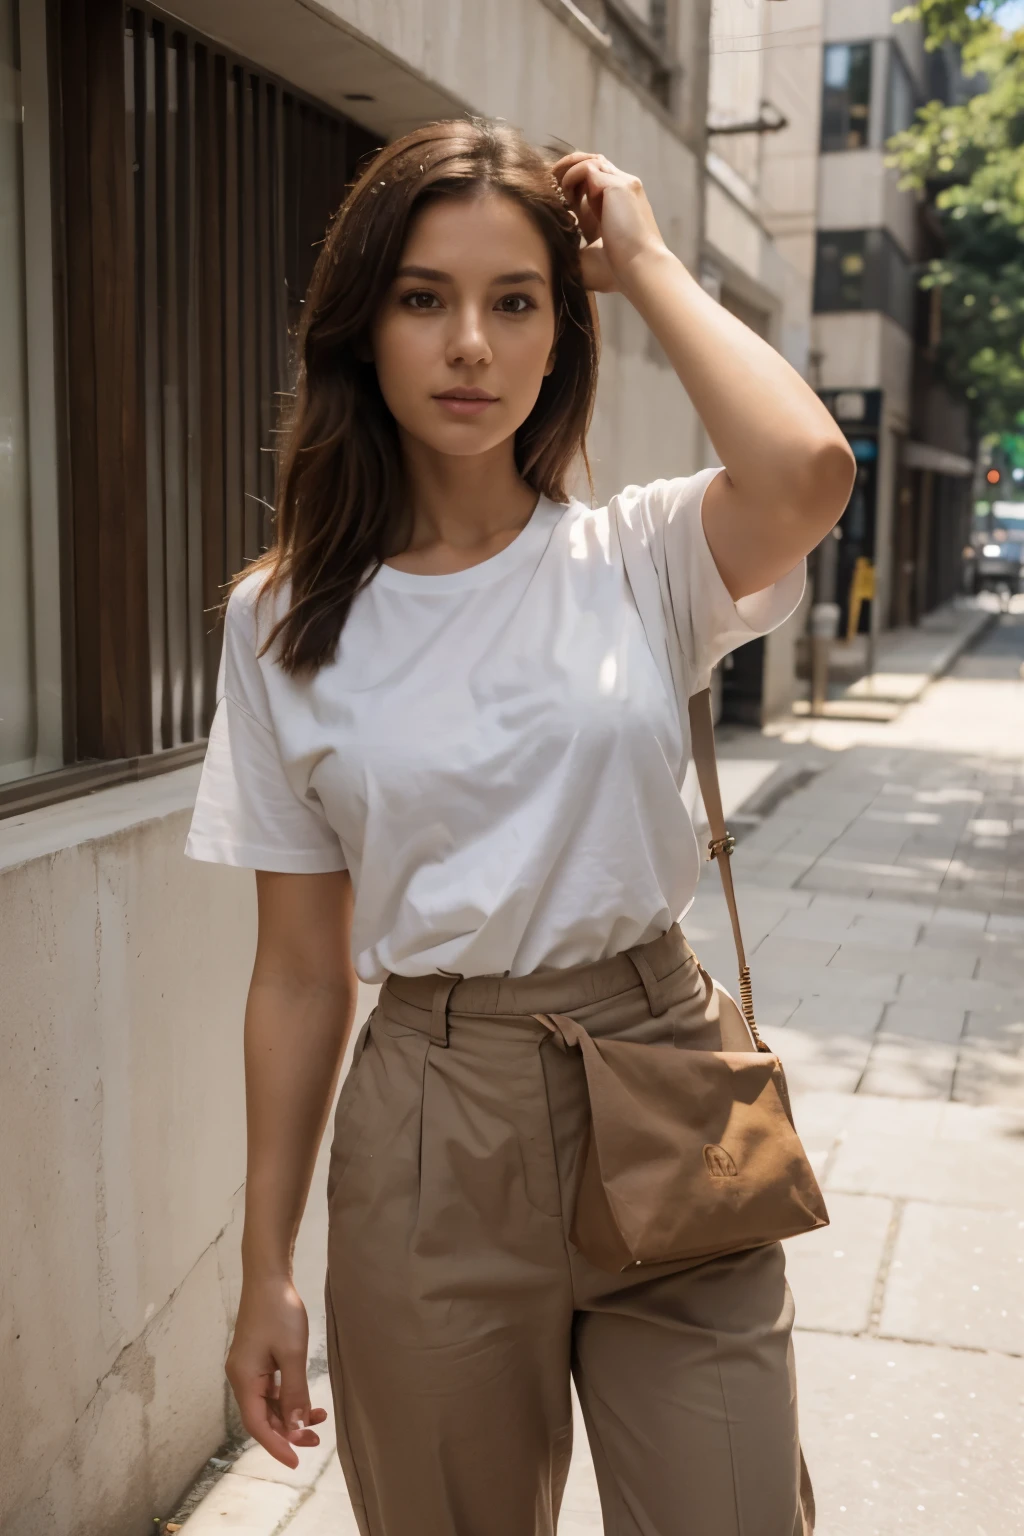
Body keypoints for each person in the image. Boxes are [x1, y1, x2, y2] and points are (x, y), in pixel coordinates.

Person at [184, 116, 855, 1535]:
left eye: (515, 301)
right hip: (432, 1114)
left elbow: (807, 470)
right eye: (425, 299)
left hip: (660, 1073)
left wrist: (652, 261)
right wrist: (264, 1265)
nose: (470, 344)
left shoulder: (641, 556)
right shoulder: (284, 620)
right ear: (364, 328)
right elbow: (302, 970)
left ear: (563, 333)